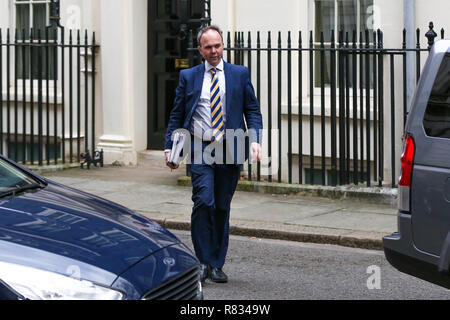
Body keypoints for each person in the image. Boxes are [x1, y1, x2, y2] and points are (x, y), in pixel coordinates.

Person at [164, 25, 263, 284]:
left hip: (230, 147)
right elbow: (177, 114)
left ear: (223, 45)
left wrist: (254, 140)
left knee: (221, 207)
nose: (214, 51)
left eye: (217, 45)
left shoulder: (239, 74)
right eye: (208, 47)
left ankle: (216, 264)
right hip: (200, 148)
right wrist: (169, 147)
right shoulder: (189, 76)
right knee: (203, 202)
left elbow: (252, 110)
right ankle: (203, 261)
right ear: (200, 50)